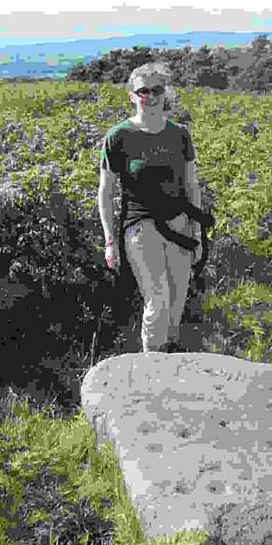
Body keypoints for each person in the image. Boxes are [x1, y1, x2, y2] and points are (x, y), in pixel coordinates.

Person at [98, 61, 208, 353]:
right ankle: (151, 367)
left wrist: (196, 233)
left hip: (180, 224)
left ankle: (169, 361)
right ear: (131, 96)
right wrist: (110, 241)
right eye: (143, 90)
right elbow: (106, 191)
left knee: (176, 302)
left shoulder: (180, 135)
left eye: (156, 89)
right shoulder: (118, 137)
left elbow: (191, 186)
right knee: (157, 299)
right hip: (139, 224)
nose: (150, 96)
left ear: (165, 93)